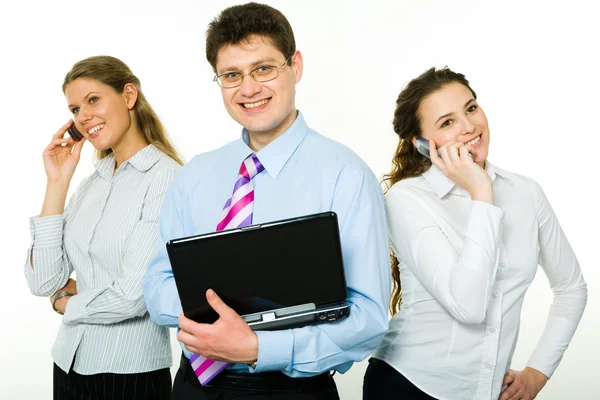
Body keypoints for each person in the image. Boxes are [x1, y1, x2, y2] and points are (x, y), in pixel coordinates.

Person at [142, 2, 391, 399]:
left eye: (263, 68)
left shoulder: (346, 176)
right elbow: (157, 286)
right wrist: (221, 323)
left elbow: (369, 317)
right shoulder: (195, 175)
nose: (249, 88)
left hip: (289, 390)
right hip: (193, 386)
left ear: (296, 65)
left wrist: (258, 346)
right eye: (232, 75)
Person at [363, 67, 588, 400]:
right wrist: (482, 193)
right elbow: (468, 306)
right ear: (421, 143)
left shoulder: (525, 192)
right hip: (409, 386)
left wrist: (537, 373)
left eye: (470, 108)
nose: (469, 127)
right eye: (447, 122)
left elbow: (571, 288)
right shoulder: (406, 200)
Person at [24, 55, 183, 400]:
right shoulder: (92, 182)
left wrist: (65, 304)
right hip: (68, 362)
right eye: (75, 109)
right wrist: (57, 182)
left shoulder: (165, 178)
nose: (83, 117)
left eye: (93, 100)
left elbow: (133, 297)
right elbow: (44, 280)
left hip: (128, 372)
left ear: (129, 96)